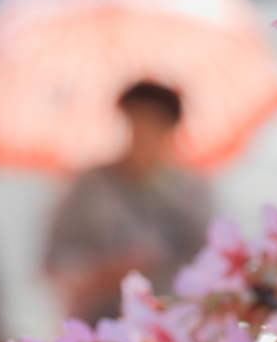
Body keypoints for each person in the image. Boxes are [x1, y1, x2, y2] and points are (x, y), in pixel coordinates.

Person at [45, 82, 211, 325]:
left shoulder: (192, 192)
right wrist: (102, 272)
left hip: (173, 325)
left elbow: (207, 264)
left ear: (171, 127)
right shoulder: (91, 185)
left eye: (153, 123)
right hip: (101, 323)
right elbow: (54, 261)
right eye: (136, 122)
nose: (142, 134)